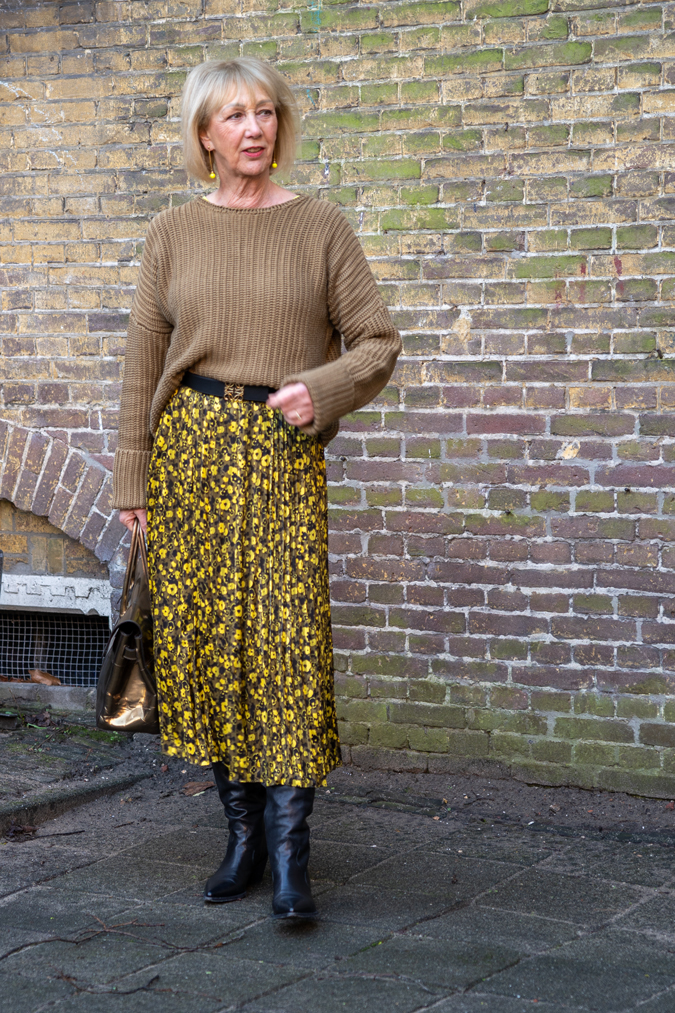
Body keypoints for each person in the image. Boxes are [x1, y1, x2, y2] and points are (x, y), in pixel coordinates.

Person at [112, 57, 401, 919]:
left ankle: (289, 855)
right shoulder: (171, 231)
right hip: (188, 452)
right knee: (205, 642)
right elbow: (140, 369)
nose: (254, 128)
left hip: (278, 451)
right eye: (234, 115)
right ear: (205, 134)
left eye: (266, 112)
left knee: (284, 642)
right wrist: (133, 477)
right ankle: (238, 837)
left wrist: (325, 389)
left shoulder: (320, 228)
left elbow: (376, 341)